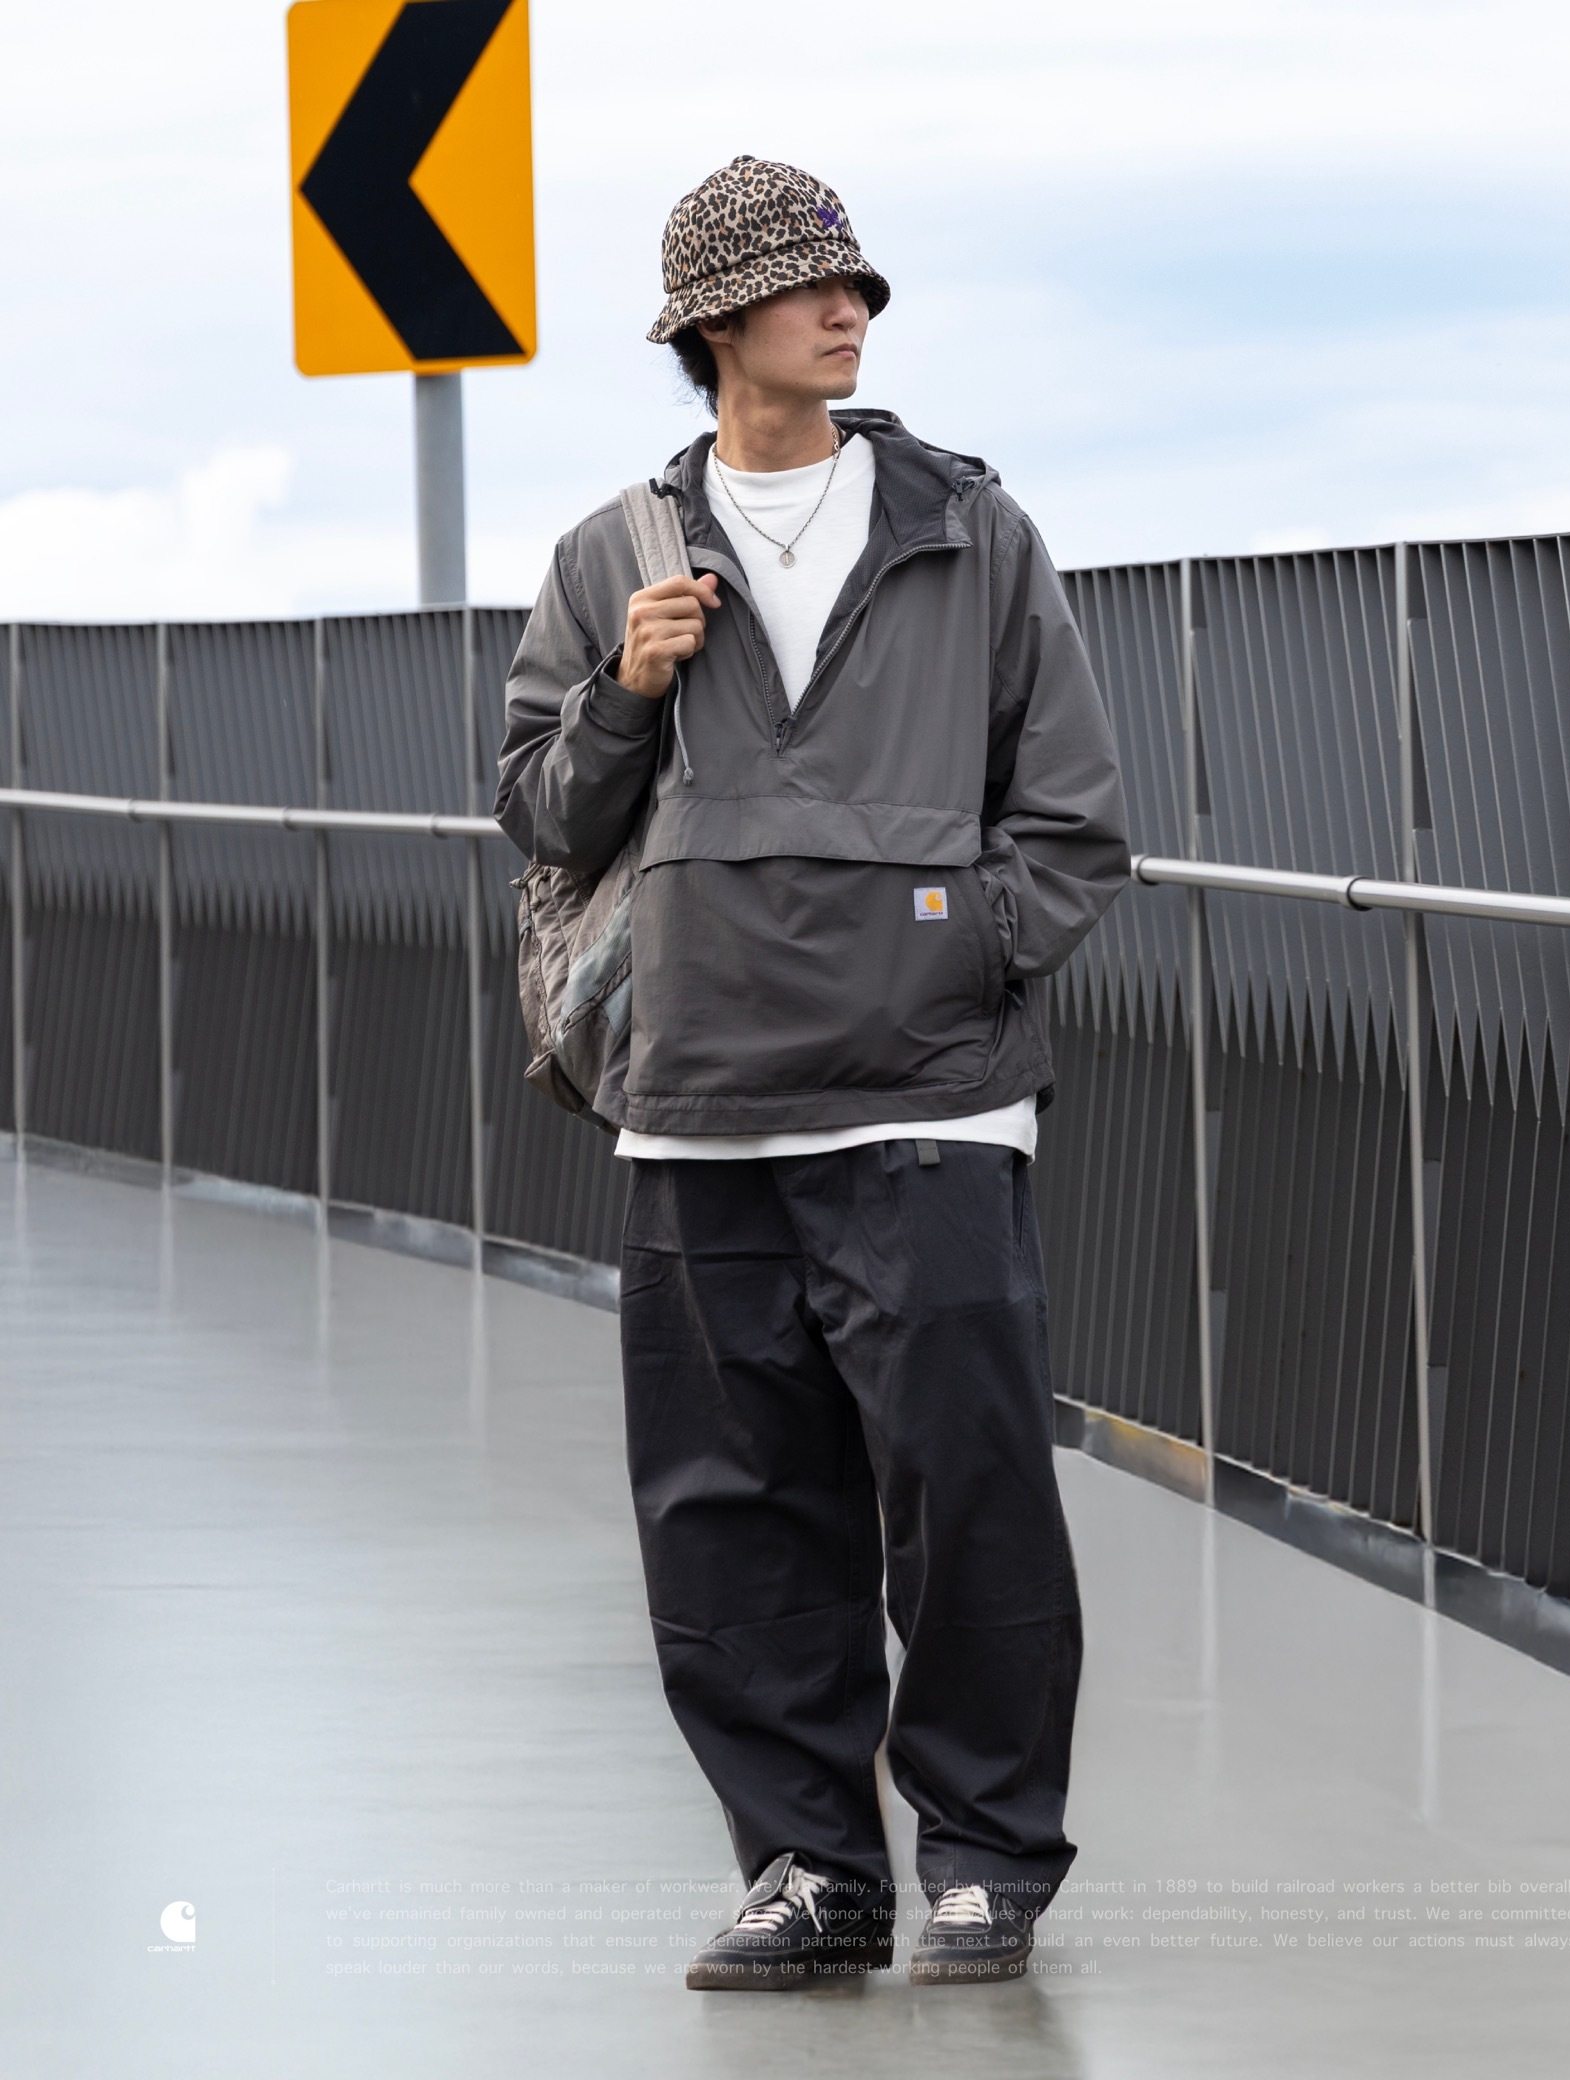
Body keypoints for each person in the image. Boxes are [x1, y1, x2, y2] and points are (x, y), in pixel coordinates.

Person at [496, 154, 1130, 1989]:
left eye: (855, 285)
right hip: (697, 1109)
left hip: (929, 1104)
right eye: (803, 287)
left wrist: (948, 953)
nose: (846, 311)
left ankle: (987, 1864)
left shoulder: (970, 531)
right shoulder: (610, 553)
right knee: (731, 1515)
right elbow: (540, 815)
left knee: (971, 1495)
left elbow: (1074, 824)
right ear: (714, 326)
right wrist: (624, 691)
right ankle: (810, 1871)